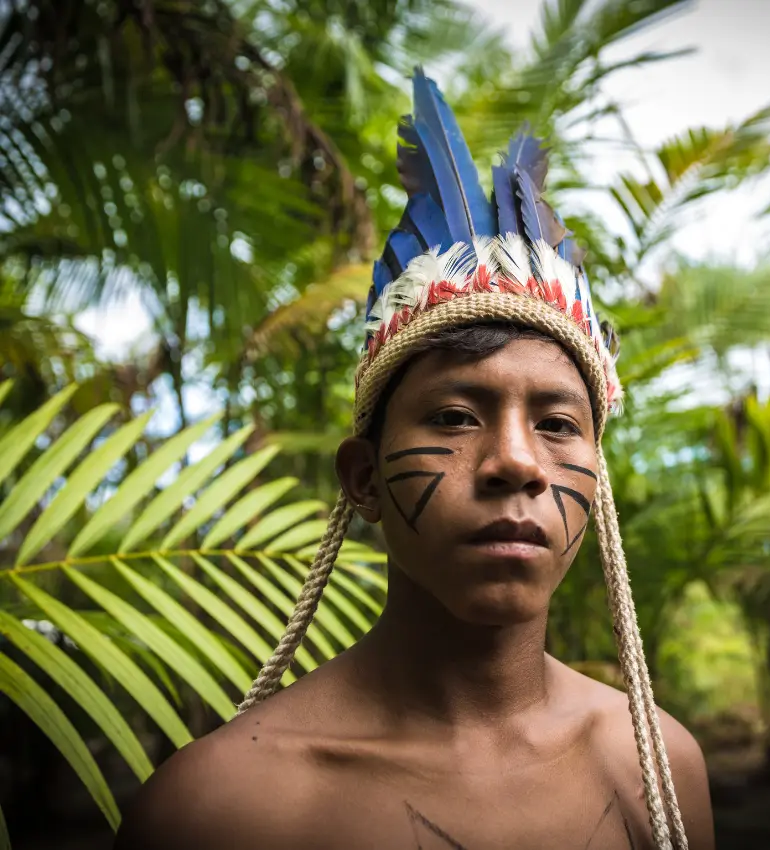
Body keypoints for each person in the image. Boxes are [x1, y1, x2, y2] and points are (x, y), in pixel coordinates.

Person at [114, 70, 714, 850]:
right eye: (456, 416)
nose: (515, 462)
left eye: (558, 423)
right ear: (362, 477)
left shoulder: (655, 768)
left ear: (596, 476)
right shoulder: (223, 808)